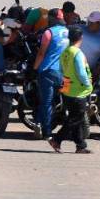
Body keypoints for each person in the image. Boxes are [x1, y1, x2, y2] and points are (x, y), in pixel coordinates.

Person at [49, 26, 93, 154]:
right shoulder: (77, 53)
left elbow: (61, 70)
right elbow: (81, 72)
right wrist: (87, 84)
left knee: (75, 117)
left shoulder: (66, 52)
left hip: (68, 88)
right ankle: (57, 139)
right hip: (78, 90)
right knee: (76, 118)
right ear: (81, 38)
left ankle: (81, 145)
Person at [32, 9, 70, 138]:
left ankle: (46, 131)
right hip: (66, 74)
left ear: (51, 19)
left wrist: (35, 68)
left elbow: (42, 53)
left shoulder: (48, 33)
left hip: (48, 72)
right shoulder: (69, 32)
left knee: (46, 102)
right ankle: (71, 131)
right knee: (68, 100)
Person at [79, 11, 100, 80]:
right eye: (89, 21)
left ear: (99, 23)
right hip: (70, 68)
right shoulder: (79, 28)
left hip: (86, 72)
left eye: (91, 22)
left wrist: (99, 68)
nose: (89, 24)